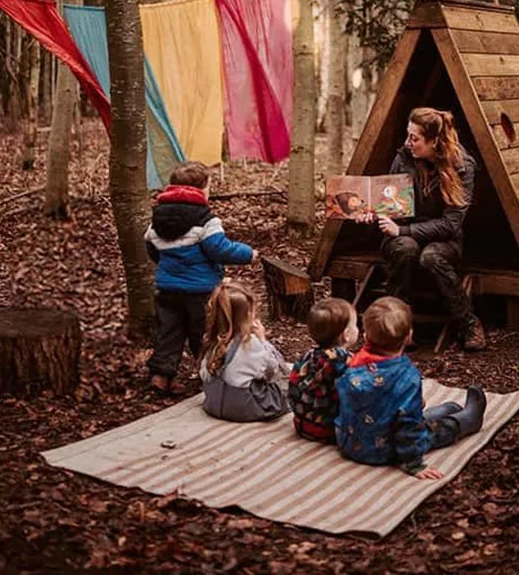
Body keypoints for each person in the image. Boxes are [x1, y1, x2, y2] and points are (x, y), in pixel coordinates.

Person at [335, 296, 487, 478]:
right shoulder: (406, 377)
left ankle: (448, 409)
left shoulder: (353, 362)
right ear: (409, 337)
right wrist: (414, 464)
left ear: (366, 336)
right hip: (385, 450)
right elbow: (408, 427)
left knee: (407, 412)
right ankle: (467, 419)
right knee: (433, 430)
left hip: (350, 443)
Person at [376, 107, 485, 351]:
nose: (408, 143)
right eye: (408, 135)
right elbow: (391, 205)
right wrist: (371, 212)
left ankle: (468, 323)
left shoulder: (461, 166)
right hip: (402, 233)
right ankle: (399, 328)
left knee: (431, 257)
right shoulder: (404, 157)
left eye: (415, 138)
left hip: (444, 239)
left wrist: (403, 231)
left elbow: (450, 224)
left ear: (435, 141)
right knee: (404, 249)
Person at [145, 160, 257, 397]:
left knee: (169, 331)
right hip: (201, 291)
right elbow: (220, 249)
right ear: (200, 190)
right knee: (203, 332)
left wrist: (168, 267)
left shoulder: (158, 219)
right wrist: (249, 253)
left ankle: (162, 375)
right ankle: (208, 372)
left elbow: (152, 247)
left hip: (167, 289)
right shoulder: (206, 220)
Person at [200, 282, 291, 422]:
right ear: (247, 315)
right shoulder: (250, 343)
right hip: (242, 407)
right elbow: (273, 371)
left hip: (213, 403)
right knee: (287, 386)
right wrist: (263, 339)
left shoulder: (213, 338)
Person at [289, 298, 359, 443]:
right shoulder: (348, 362)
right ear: (346, 334)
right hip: (333, 430)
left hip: (303, 425)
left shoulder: (307, 357)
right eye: (355, 325)